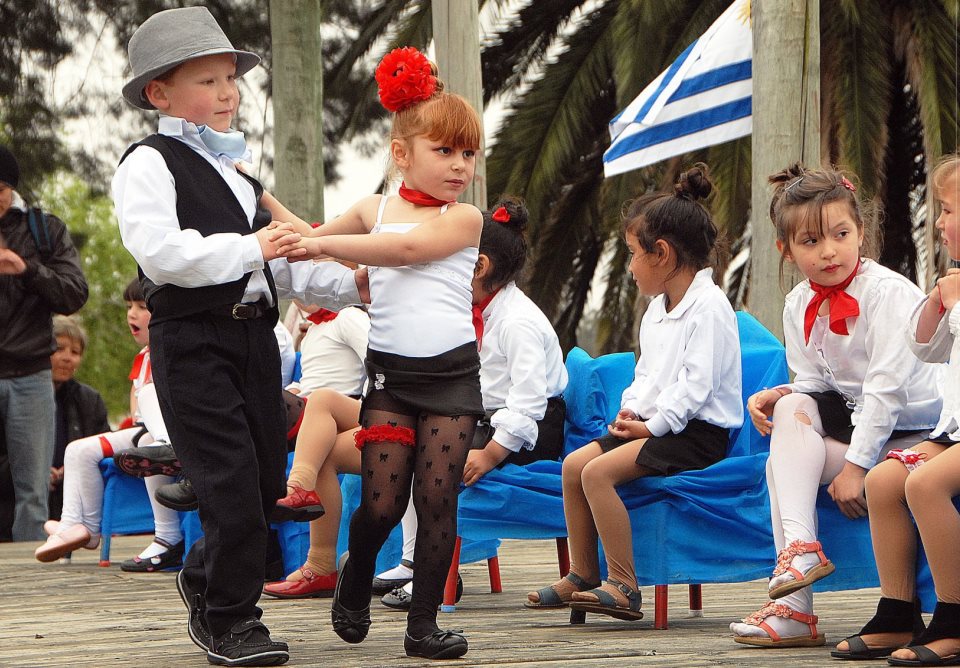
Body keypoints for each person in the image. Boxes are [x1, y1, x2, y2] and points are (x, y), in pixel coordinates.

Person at [112, 7, 365, 666]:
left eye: (231, 79)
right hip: (193, 339)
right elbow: (162, 255)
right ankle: (232, 621)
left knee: (259, 490)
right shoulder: (148, 162)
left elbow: (284, 262)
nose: (227, 93)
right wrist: (251, 244)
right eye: (208, 81)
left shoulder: (237, 173)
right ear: (158, 93)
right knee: (227, 485)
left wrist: (361, 285)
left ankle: (202, 580)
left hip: (255, 345)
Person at [267, 46, 483, 660]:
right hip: (390, 380)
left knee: (437, 500)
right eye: (444, 151)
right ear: (401, 153)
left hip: (452, 381)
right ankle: (355, 576)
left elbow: (407, 252)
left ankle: (423, 628)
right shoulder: (373, 210)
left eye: (467, 153)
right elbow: (312, 237)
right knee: (383, 505)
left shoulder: (464, 219)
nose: (459, 165)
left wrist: (324, 246)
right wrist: (264, 205)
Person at [730, 164, 942, 649]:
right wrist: (780, 394)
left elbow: (885, 391)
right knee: (787, 420)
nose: (828, 251)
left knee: (780, 464)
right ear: (786, 249)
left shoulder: (888, 294)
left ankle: (793, 606)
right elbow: (813, 384)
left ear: (861, 232)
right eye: (810, 242)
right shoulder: (797, 302)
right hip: (865, 430)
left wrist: (855, 466)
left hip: (919, 434)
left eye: (841, 234)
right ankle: (799, 567)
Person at [523, 164, 741, 622]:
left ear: (661, 253)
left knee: (598, 474)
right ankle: (582, 572)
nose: (630, 265)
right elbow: (646, 375)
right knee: (574, 465)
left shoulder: (711, 307)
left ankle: (623, 584)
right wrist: (631, 412)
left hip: (697, 435)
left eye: (633, 253)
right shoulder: (657, 310)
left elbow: (695, 387)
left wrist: (652, 425)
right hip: (657, 428)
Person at [375, 197, 569, 608]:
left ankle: (436, 573)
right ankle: (414, 560)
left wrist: (492, 453)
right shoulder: (482, 311)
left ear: (478, 267)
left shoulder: (517, 322)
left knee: (431, 456)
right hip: (490, 419)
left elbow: (530, 402)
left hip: (529, 434)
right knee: (408, 438)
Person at [832, 153, 960, 665]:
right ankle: (897, 612)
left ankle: (954, 617)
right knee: (885, 479)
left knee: (924, 484)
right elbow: (927, 350)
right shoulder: (954, 278)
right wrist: (936, 304)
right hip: (951, 431)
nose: (942, 222)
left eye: (950, 210)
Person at [35, 279, 186, 571]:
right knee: (78, 450)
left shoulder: (176, 348)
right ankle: (80, 528)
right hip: (147, 430)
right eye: (129, 306)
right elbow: (138, 413)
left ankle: (168, 538)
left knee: (148, 445)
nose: (132, 314)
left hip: (174, 430)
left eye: (142, 307)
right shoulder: (144, 358)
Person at [0, 144, 89, 541]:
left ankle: (30, 582)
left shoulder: (43, 229)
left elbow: (75, 293)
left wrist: (27, 269)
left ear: (10, 189)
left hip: (31, 374)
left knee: (32, 493)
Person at [48, 315, 110, 521]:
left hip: (77, 511)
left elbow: (106, 451)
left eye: (75, 352)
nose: (67, 358)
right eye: (59, 349)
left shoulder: (89, 400)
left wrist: (77, 466)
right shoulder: (13, 395)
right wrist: (29, 472)